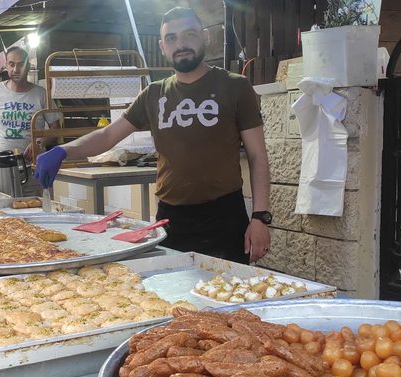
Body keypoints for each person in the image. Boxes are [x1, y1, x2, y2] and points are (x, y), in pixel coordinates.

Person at [35, 7, 271, 264]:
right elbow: (107, 136)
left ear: (204, 37)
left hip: (224, 217)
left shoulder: (235, 86)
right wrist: (64, 150)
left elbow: (258, 156)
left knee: (228, 297)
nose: (180, 44)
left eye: (189, 35)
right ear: (162, 46)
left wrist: (260, 218)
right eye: (171, 38)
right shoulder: (153, 94)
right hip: (171, 219)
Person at [0, 47, 60, 196]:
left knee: (32, 209)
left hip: (32, 168)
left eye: (20, 64)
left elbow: (56, 129)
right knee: (4, 212)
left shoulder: (41, 94)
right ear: (6, 65)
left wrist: (39, 142)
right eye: (12, 64)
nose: (16, 69)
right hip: (1, 168)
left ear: (28, 66)